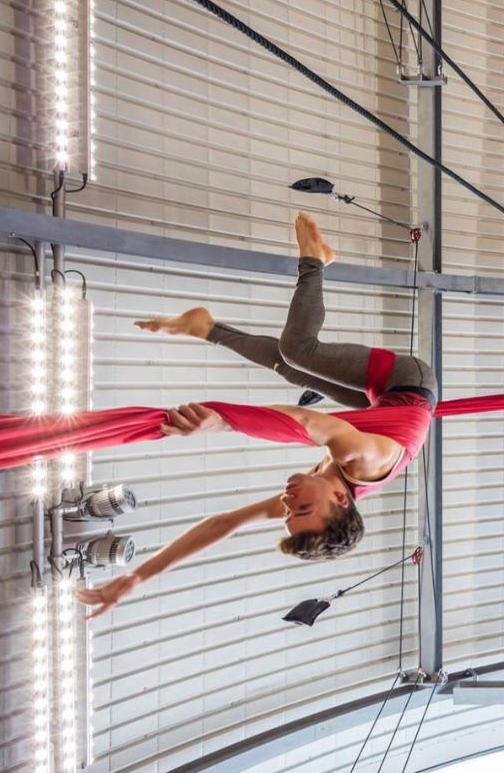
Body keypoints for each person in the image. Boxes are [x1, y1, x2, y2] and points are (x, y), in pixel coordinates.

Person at [76, 214, 438, 617]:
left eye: (287, 512)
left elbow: (222, 523)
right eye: (301, 509)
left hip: (376, 405)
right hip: (406, 382)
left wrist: (135, 578)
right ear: (340, 499)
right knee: (299, 350)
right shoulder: (364, 461)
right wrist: (223, 419)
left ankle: (208, 328)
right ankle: (315, 260)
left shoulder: (332, 485)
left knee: (290, 367)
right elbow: (306, 422)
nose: (287, 501)